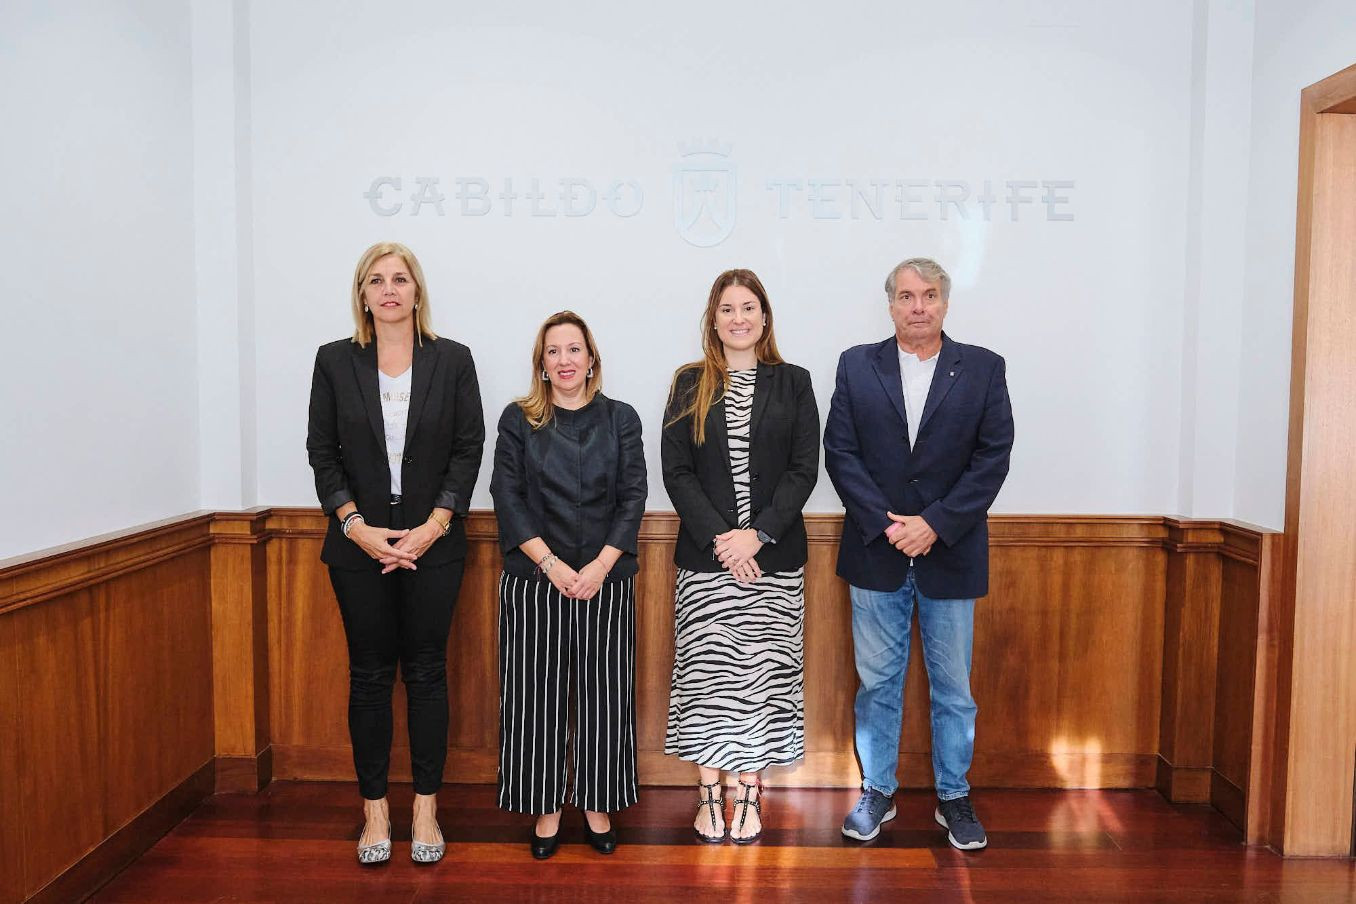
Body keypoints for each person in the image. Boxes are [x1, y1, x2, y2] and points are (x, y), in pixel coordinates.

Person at [824, 257, 1013, 850]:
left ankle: (953, 797)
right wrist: (889, 527)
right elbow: (841, 452)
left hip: (949, 554)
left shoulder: (982, 368)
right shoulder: (857, 365)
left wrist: (934, 524)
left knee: (953, 688)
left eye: (929, 295)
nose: (918, 307)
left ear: (945, 303)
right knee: (877, 684)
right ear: (890, 304)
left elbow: (993, 457)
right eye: (906, 296)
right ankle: (877, 790)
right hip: (877, 554)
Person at [306, 241, 485, 865]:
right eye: (376, 280)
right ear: (362, 293)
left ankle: (426, 809)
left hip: (433, 546)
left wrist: (433, 526)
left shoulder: (453, 360)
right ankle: (375, 810)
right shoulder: (334, 362)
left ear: (417, 291)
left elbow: (468, 449)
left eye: (400, 279)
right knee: (370, 677)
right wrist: (355, 526)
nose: (389, 289)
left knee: (429, 673)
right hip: (357, 548)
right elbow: (321, 453)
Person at [661, 269, 819, 844]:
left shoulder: (794, 383)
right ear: (713, 319)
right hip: (707, 563)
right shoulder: (688, 383)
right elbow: (675, 471)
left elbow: (805, 469)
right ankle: (709, 799)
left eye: (748, 307)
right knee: (707, 683)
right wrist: (724, 539)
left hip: (774, 561)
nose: (738, 318)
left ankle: (750, 798)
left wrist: (758, 535)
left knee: (762, 684)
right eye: (726, 309)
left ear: (765, 316)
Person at [489, 310, 647, 860]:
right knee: (537, 699)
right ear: (541, 362)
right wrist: (551, 564)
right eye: (553, 351)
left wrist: (601, 566)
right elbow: (506, 498)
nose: (564, 361)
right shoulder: (518, 420)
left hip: (606, 579)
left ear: (591, 357)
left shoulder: (621, 418)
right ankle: (547, 807)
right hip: (536, 580)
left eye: (573, 349)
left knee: (605, 698)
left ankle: (598, 804)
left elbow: (633, 497)